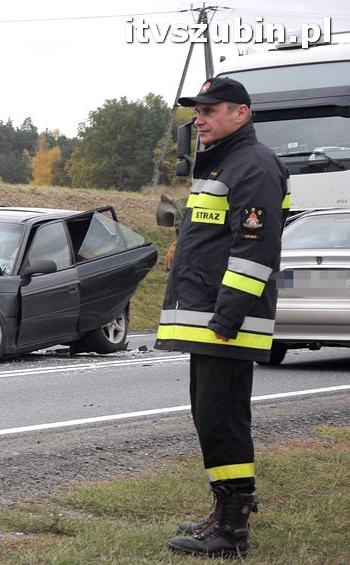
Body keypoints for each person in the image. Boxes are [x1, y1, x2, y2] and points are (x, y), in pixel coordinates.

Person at [155, 77, 290, 557]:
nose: (201, 119)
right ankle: (224, 510)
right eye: (198, 110)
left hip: (226, 323)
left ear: (241, 114)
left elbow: (254, 250)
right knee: (214, 417)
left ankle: (231, 530)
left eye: (211, 110)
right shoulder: (226, 164)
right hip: (212, 321)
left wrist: (227, 318)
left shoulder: (252, 165)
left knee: (222, 420)